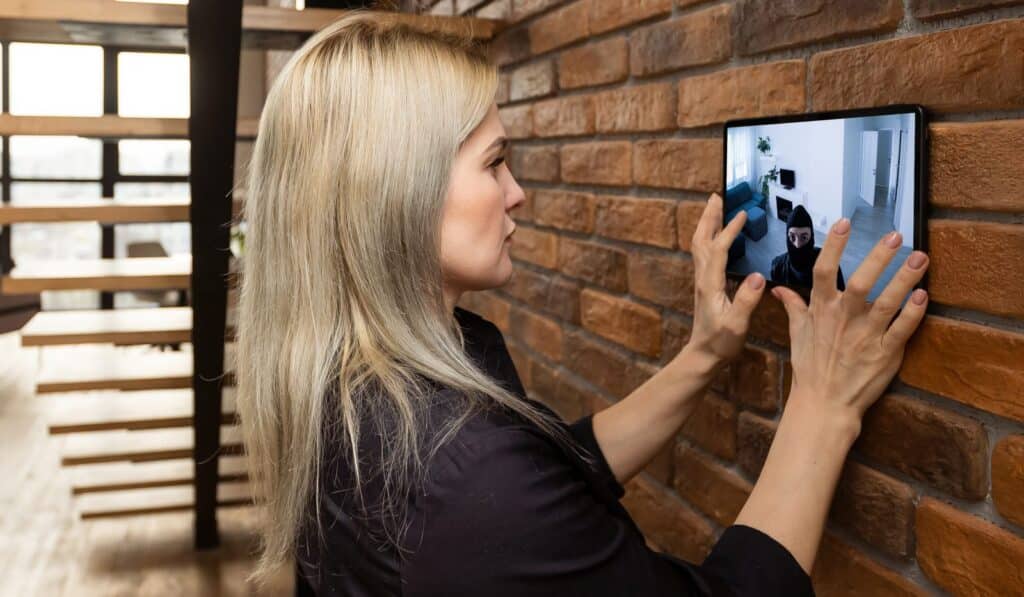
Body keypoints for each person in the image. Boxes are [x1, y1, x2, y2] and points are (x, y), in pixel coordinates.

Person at [235, 12, 931, 597]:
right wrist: (824, 403)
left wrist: (705, 354)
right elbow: (513, 495)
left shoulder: (362, 383)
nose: (517, 193)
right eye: (494, 162)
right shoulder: (466, 476)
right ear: (397, 193)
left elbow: (557, 470)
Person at [770, 204, 847, 291]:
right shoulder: (777, 268)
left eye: (803, 237)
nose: (797, 245)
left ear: (812, 237)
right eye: (792, 237)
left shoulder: (830, 266)